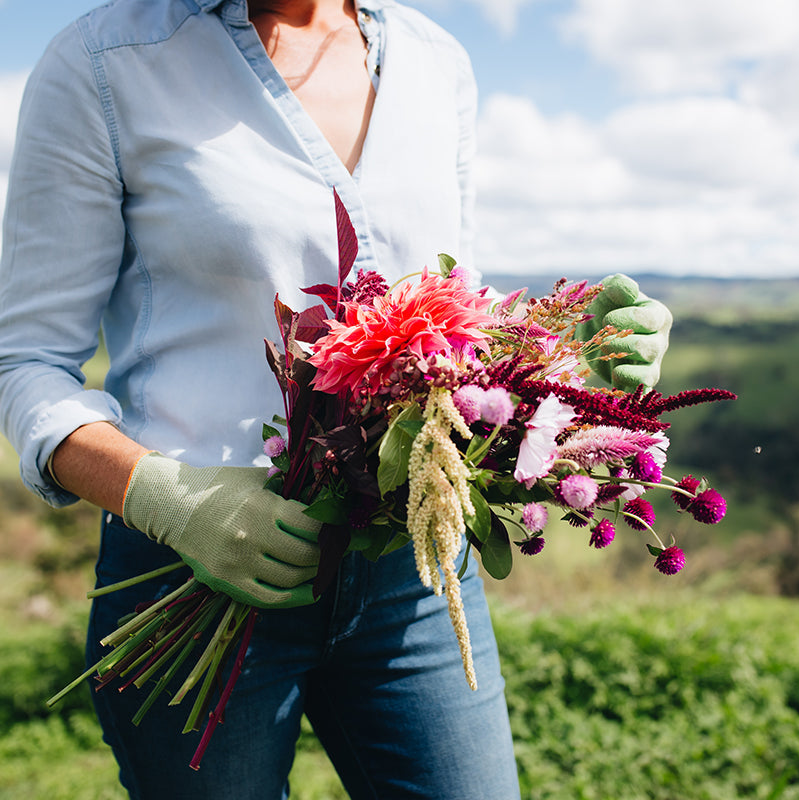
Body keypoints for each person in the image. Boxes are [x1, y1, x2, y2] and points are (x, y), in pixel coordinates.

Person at [0, 1, 669, 798]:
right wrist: (165, 498)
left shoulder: (436, 61)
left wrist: (566, 353)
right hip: (194, 572)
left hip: (412, 564)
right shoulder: (104, 63)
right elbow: (26, 362)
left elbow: (449, 311)